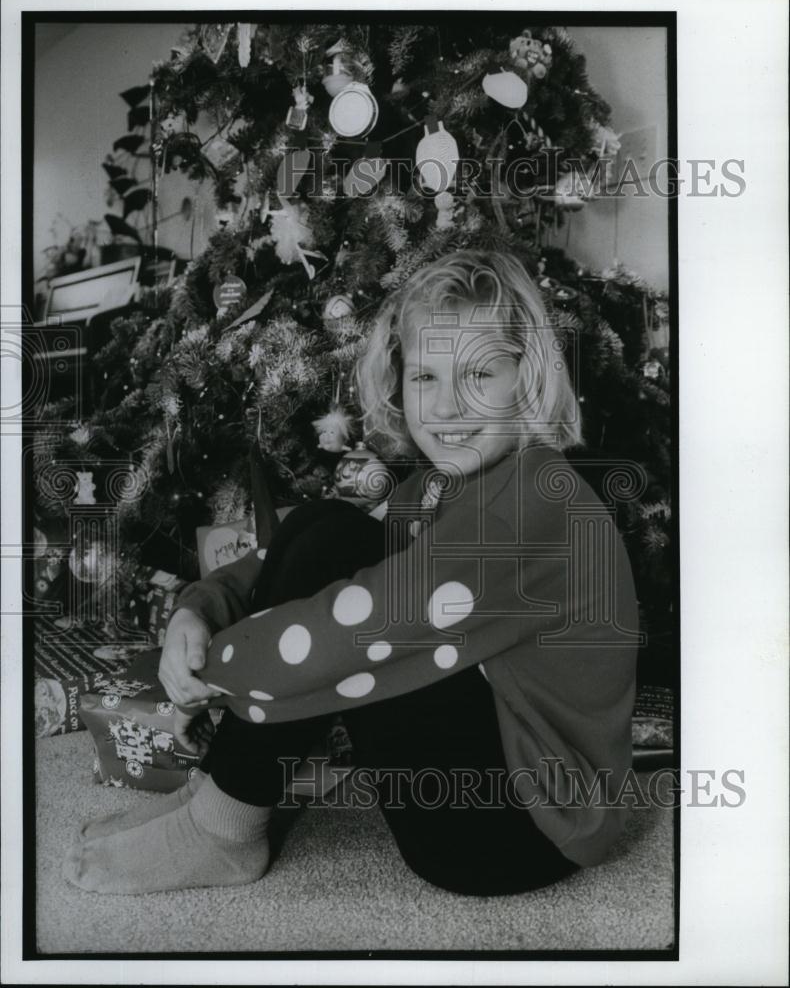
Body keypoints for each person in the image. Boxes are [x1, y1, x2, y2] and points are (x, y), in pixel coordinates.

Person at [65, 249, 640, 897]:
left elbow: (358, 625)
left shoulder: (542, 492)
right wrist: (196, 612)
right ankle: (214, 799)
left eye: (479, 374)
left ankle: (224, 826)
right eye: (425, 378)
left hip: (517, 833)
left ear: (528, 379)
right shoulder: (434, 489)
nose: (447, 408)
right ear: (398, 384)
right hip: (486, 794)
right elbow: (284, 561)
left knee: (336, 547)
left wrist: (211, 669)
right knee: (323, 526)